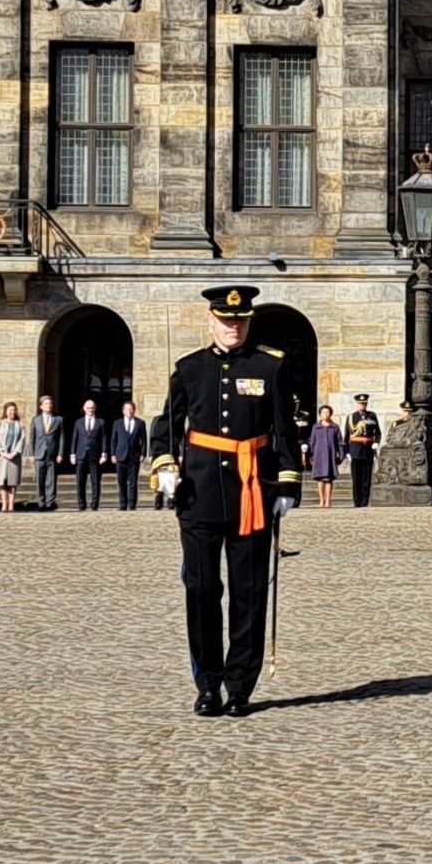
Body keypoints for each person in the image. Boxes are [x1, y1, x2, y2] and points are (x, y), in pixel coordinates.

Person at [150, 285, 299, 718]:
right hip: (198, 494)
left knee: (249, 593)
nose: (233, 327)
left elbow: (283, 428)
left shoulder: (270, 367)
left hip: (252, 492)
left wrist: (287, 484)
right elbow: (167, 426)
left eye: (240, 321)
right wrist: (164, 466)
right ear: (211, 320)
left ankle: (239, 686)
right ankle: (208, 683)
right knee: (201, 590)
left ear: (249, 322)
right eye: (225, 320)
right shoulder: (189, 369)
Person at [107, 401, 147, 511]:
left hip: (134, 456)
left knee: (133, 481)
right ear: (123, 411)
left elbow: (143, 440)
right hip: (121, 455)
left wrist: (143, 453)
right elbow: (113, 440)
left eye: (131, 409)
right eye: (127, 409)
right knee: (121, 481)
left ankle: (132, 504)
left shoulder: (140, 423)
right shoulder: (117, 423)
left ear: (134, 410)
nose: (129, 411)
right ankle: (123, 504)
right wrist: (113, 454)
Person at [343, 394, 381, 508]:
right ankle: (357, 501)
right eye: (360, 404)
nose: (362, 405)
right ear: (357, 404)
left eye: (364, 403)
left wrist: (376, 443)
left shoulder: (372, 416)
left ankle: (365, 501)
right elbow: (347, 435)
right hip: (355, 449)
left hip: (368, 450)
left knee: (367, 478)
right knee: (357, 478)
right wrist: (347, 451)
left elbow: (377, 432)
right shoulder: (351, 417)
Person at [68, 399, 107, 511]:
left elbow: (104, 438)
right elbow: (74, 438)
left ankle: (95, 503)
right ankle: (81, 503)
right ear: (84, 409)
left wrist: (104, 454)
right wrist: (72, 454)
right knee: (80, 481)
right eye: (88, 408)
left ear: (95, 409)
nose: (90, 410)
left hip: (95, 455)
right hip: (81, 454)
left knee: (95, 481)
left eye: (92, 408)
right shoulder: (78, 422)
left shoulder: (101, 422)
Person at [0, 401, 25, 513]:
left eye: (14, 410)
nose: (12, 412)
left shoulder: (20, 424)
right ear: (5, 411)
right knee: (3, 481)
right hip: (2, 457)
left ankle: (11, 504)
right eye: (10, 410)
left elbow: (22, 440)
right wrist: (2, 452)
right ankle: (4, 504)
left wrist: (15, 452)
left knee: (12, 481)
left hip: (14, 456)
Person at [30, 395, 63, 511]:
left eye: (50, 403)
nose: (48, 406)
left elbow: (61, 438)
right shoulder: (36, 420)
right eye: (46, 404)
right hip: (39, 453)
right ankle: (41, 502)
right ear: (41, 406)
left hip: (52, 454)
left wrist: (60, 453)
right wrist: (31, 454)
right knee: (40, 479)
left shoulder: (58, 420)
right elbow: (32, 438)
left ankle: (50, 502)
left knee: (51, 479)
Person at [309, 404, 344, 509]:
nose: (326, 414)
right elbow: (312, 442)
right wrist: (311, 456)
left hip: (330, 455)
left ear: (331, 414)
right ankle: (321, 500)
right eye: (323, 412)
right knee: (320, 479)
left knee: (328, 479)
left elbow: (340, 442)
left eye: (328, 412)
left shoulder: (335, 427)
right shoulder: (316, 427)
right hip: (319, 456)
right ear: (320, 414)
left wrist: (341, 455)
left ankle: (328, 500)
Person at [149, 412, 172, 511]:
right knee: (158, 477)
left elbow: (182, 436)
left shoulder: (175, 420)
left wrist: (181, 454)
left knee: (171, 477)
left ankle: (171, 501)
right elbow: (151, 437)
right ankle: (159, 500)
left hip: (171, 451)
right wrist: (150, 454)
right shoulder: (156, 419)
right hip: (157, 453)